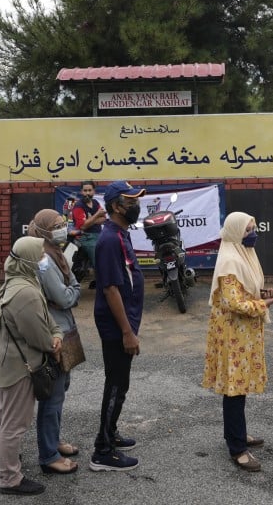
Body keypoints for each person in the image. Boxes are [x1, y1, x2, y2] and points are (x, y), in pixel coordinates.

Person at [202, 212, 273, 472]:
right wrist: (263, 303)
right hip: (232, 335)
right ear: (236, 232)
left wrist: (261, 294)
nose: (253, 234)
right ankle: (237, 448)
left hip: (244, 334)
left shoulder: (243, 255)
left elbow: (245, 290)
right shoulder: (229, 262)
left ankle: (237, 433)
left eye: (254, 228)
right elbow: (233, 303)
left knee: (239, 387)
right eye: (248, 230)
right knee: (234, 389)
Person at [0, 236, 62, 496]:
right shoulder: (26, 292)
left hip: (8, 359)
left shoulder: (15, 281)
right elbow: (39, 335)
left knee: (3, 413)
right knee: (15, 423)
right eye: (40, 254)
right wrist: (53, 340)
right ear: (30, 260)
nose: (44, 258)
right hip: (22, 366)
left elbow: (45, 320)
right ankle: (10, 478)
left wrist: (55, 332)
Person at [89, 181, 146, 472]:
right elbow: (110, 289)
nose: (136, 205)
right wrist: (127, 331)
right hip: (116, 328)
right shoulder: (109, 240)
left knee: (119, 385)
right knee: (115, 385)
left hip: (124, 324)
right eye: (130, 201)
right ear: (115, 207)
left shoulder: (119, 234)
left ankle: (110, 433)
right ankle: (103, 450)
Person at [27, 209, 81, 475]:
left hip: (65, 329)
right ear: (45, 230)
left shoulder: (56, 254)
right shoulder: (44, 260)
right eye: (57, 225)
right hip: (54, 332)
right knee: (53, 394)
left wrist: (72, 287)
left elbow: (69, 287)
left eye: (64, 224)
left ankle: (54, 440)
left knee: (61, 390)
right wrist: (75, 289)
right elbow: (65, 297)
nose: (62, 228)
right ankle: (48, 454)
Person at [72, 180, 107, 270]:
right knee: (100, 263)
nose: (87, 193)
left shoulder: (95, 202)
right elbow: (82, 226)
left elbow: (103, 219)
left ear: (94, 191)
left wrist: (90, 220)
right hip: (86, 238)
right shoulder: (78, 206)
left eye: (89, 190)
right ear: (81, 191)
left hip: (99, 235)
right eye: (85, 190)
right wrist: (96, 216)